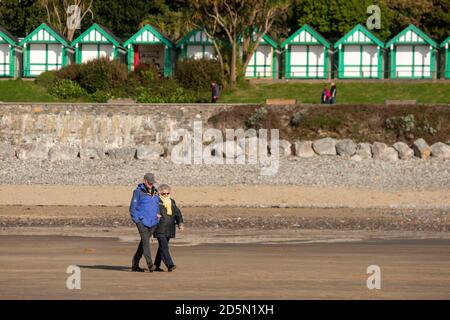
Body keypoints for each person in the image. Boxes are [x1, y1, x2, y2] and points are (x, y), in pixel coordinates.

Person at [129, 173, 160, 272]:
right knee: (146, 241)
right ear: (145, 181)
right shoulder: (138, 192)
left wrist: (158, 215)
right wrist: (137, 220)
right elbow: (132, 208)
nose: (151, 184)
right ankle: (150, 264)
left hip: (153, 222)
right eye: (149, 183)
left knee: (143, 242)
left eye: (152, 183)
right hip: (141, 221)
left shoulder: (155, 192)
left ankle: (135, 263)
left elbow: (157, 205)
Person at [153, 184, 184, 272]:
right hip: (160, 228)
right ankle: (170, 264)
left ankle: (156, 265)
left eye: (167, 193)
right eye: (164, 194)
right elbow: (150, 211)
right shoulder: (156, 201)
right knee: (164, 247)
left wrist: (180, 223)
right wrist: (155, 215)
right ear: (159, 193)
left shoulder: (172, 201)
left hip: (170, 228)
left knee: (162, 247)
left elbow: (177, 213)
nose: (166, 195)